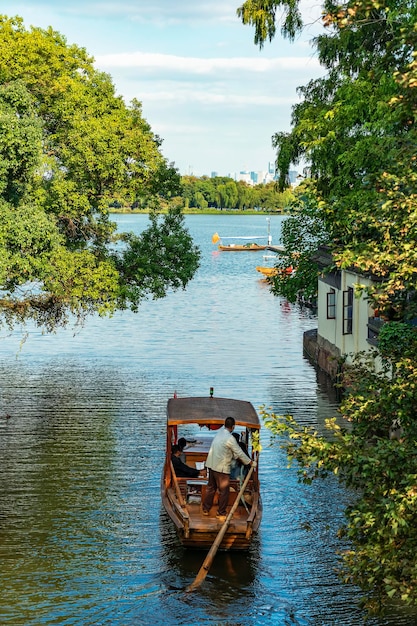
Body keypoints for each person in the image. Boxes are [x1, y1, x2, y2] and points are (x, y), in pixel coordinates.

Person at [202, 416, 252, 521]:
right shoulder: (230, 439)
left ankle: (205, 509)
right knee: (224, 491)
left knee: (211, 488)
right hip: (221, 469)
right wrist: (250, 462)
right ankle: (221, 513)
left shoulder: (219, 434)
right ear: (233, 427)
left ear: (225, 425)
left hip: (211, 465)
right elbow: (239, 452)